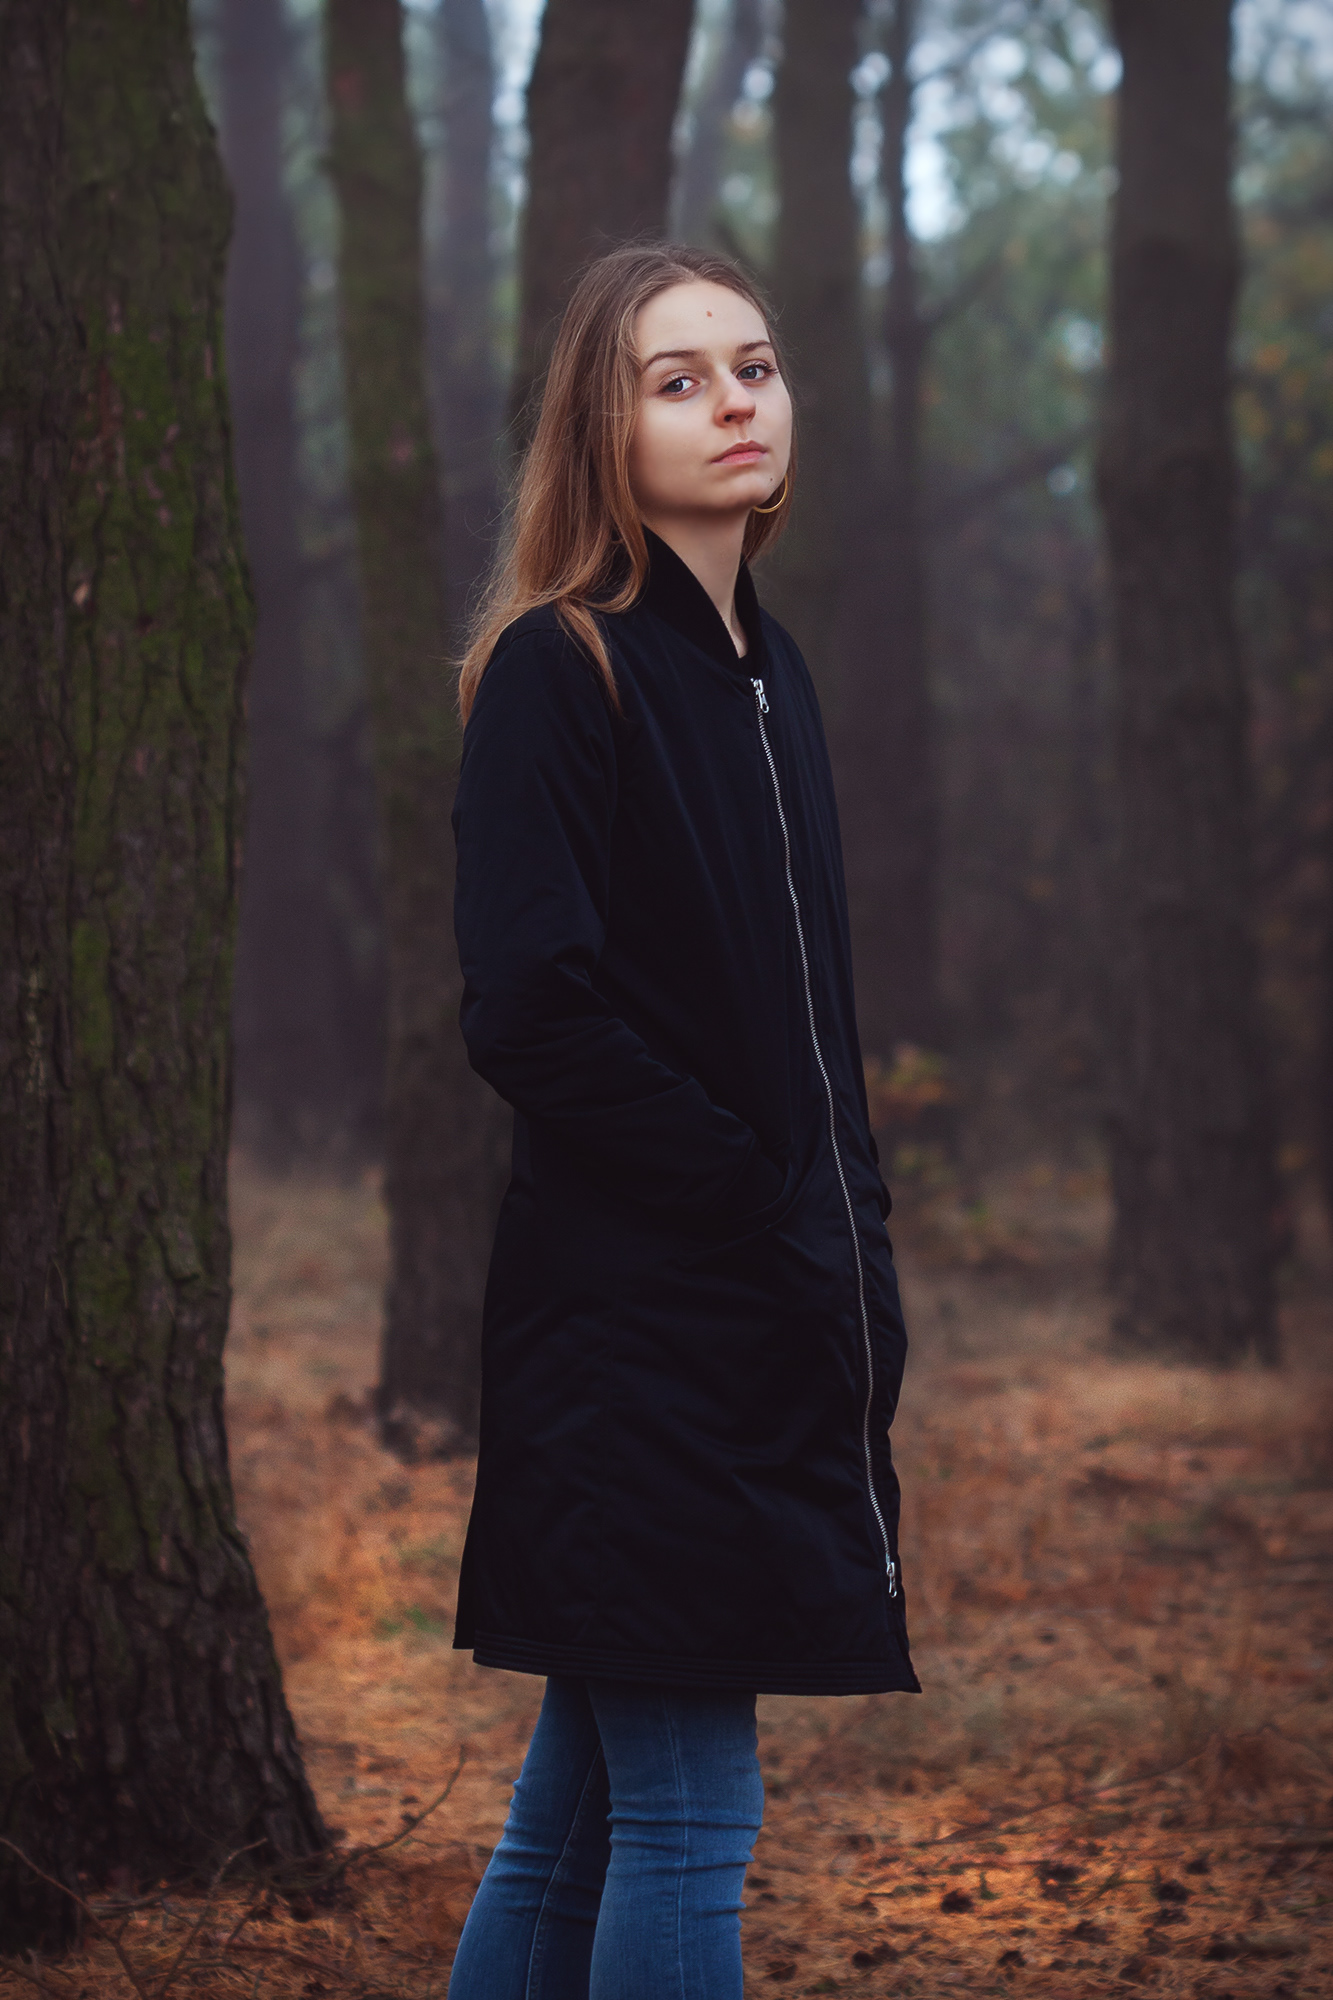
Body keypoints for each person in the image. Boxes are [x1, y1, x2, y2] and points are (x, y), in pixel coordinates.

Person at [446, 243, 918, 2000]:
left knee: (573, 1820)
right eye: (676, 378)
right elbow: (528, 1011)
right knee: (692, 1815)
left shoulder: (769, 675)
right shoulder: (560, 667)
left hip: (762, 1319)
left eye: (754, 366)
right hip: (633, 1341)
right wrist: (743, 1194)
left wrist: (840, 1235)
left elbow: (806, 1031)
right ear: (603, 427)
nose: (734, 402)